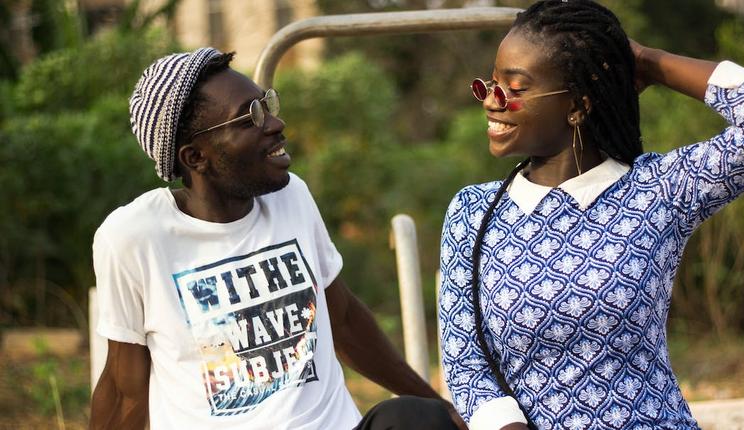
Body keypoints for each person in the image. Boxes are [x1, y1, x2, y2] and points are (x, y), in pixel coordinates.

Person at [438, 1, 744, 429]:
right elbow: (464, 356)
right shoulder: (473, 211)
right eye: (490, 84)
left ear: (578, 105)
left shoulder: (660, 190)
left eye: (515, 88)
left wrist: (646, 61)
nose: (492, 101)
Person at [90, 47, 465, 430]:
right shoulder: (134, 238)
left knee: (416, 419)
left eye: (266, 104)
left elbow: (346, 320)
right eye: (249, 117)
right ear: (195, 157)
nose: (275, 123)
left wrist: (445, 410)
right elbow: (124, 391)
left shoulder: (292, 196)